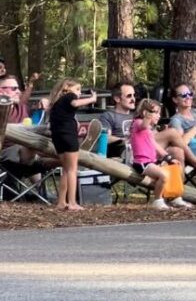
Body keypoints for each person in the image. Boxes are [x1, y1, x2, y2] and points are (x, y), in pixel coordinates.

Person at [129, 98, 191, 210]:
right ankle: (158, 201)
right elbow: (143, 124)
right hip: (142, 163)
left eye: (159, 113)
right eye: (156, 113)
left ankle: (175, 197)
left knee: (174, 168)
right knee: (163, 175)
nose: (158, 116)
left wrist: (169, 159)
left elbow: (156, 147)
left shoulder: (148, 131)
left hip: (152, 162)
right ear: (145, 113)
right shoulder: (137, 123)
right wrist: (148, 116)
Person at [47, 79, 96, 211]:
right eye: (78, 89)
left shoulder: (57, 103)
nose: (79, 93)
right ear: (68, 88)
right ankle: (72, 202)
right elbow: (75, 102)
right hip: (69, 136)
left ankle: (62, 202)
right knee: (73, 170)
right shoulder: (69, 96)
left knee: (66, 170)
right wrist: (92, 98)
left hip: (58, 137)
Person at [98, 81, 137, 159]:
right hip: (120, 152)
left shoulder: (137, 115)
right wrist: (125, 140)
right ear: (117, 99)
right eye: (129, 96)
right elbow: (106, 138)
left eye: (134, 95)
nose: (133, 99)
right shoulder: (108, 116)